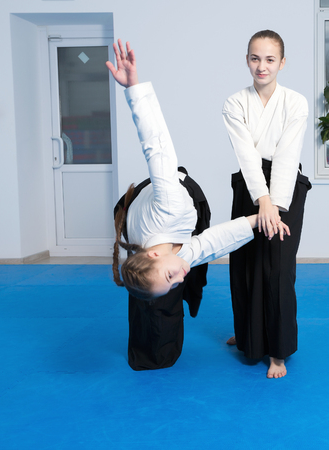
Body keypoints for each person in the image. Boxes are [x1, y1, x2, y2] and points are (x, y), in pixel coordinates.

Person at [107, 39, 289, 371]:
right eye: (175, 279)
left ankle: (178, 295)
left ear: (155, 254)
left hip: (176, 197)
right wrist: (255, 222)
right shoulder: (144, 263)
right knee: (157, 289)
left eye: (171, 274)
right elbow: (207, 248)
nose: (180, 274)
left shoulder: (170, 203)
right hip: (140, 226)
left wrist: (133, 87)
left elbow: (155, 145)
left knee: (188, 274)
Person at [222, 30, 312, 379]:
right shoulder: (234, 103)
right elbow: (246, 154)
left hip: (286, 187)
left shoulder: (296, 102)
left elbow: (288, 155)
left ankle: (277, 351)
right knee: (243, 261)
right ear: (247, 60)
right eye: (255, 58)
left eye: (269, 59)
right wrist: (261, 200)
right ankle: (248, 335)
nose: (262, 66)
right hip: (250, 185)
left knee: (276, 269)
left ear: (282, 63)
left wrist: (274, 205)